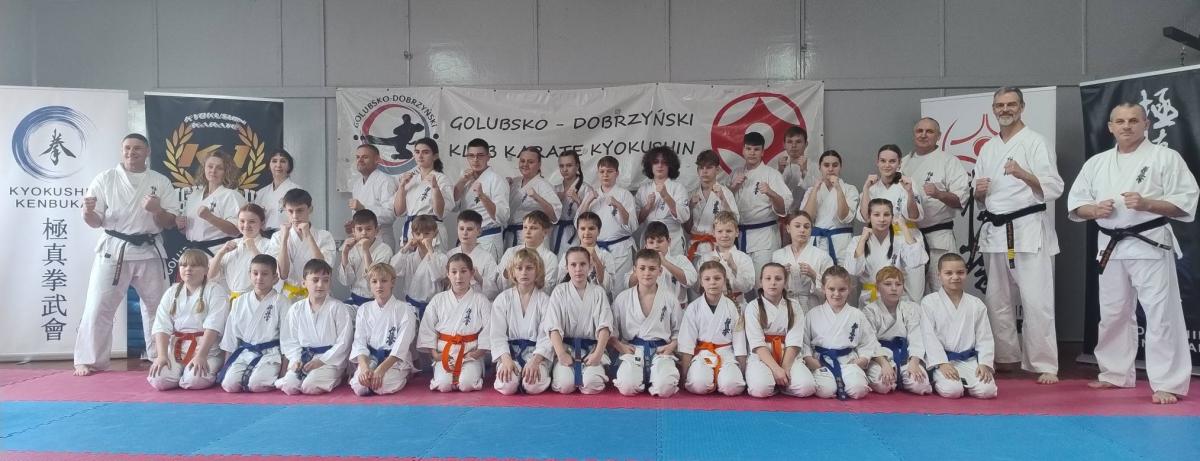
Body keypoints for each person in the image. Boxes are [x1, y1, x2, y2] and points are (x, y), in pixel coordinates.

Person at [1067, 102, 1198, 404]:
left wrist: (1148, 204)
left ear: (1146, 124)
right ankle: (1114, 373)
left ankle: (1168, 382)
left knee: (1161, 314)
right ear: (1110, 126)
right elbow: (1076, 205)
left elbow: (1186, 203)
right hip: (1110, 246)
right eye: (1120, 121)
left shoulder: (1165, 157)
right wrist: (1094, 210)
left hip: (1149, 243)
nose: (1126, 126)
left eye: (1133, 120)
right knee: (1113, 312)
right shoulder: (1097, 163)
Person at [973, 86, 1062, 384]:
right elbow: (981, 197)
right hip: (995, 230)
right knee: (996, 298)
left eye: (1011, 104)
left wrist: (1024, 174)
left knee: (1036, 299)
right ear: (993, 109)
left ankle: (1044, 363)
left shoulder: (1036, 142)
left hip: (1027, 228)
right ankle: (1006, 355)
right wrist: (979, 193)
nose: (1005, 109)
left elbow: (1054, 186)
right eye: (999, 105)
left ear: (1022, 107)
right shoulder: (988, 147)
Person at [75, 133, 181, 376]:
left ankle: (160, 357)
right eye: (127, 148)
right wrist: (87, 213)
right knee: (98, 305)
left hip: (150, 250)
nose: (131, 152)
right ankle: (90, 359)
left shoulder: (160, 181)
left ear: (147, 152)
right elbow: (95, 221)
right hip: (114, 249)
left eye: (137, 148)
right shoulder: (106, 178)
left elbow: (170, 222)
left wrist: (157, 210)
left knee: (158, 307)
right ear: (121, 150)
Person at [146, 249, 230, 390]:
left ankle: (190, 373)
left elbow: (214, 326)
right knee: (159, 380)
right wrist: (162, 355)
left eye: (194, 265)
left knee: (194, 381)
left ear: (206, 270)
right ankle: (180, 372)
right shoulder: (172, 292)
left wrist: (201, 356)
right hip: (177, 350)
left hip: (208, 352)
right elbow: (161, 325)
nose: (188, 269)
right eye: (184, 265)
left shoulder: (215, 291)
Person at [902, 118, 969, 292]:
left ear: (938, 136)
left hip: (939, 237)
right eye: (919, 131)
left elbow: (961, 201)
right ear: (914, 134)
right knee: (911, 294)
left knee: (945, 291)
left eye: (929, 131)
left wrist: (939, 194)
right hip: (909, 237)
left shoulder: (948, 161)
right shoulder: (902, 163)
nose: (923, 135)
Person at [920, 254, 998, 399]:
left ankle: (967, 383)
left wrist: (984, 363)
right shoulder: (929, 302)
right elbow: (928, 336)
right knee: (952, 391)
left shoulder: (976, 304)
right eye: (948, 273)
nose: (955, 277)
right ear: (939, 275)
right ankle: (945, 380)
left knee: (987, 391)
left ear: (966, 273)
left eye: (960, 272)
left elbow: (985, 337)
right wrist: (941, 363)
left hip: (969, 360)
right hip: (944, 360)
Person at [611, 249, 683, 397]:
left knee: (665, 389)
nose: (647, 273)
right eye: (642, 268)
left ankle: (654, 379)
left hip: (661, 351)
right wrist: (620, 346)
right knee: (627, 387)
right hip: (633, 351)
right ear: (634, 270)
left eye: (652, 268)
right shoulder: (623, 298)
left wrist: (672, 346)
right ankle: (642, 378)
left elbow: (679, 331)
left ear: (660, 271)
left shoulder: (670, 298)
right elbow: (611, 331)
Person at [275, 259, 354, 395]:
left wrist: (321, 361)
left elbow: (344, 342)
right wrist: (296, 360)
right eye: (315, 280)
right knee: (289, 387)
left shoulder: (338, 308)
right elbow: (290, 340)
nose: (320, 285)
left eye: (325, 280)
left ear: (330, 283)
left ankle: (338, 376)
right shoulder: (296, 309)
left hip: (330, 360)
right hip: (304, 358)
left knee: (310, 387)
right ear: (304, 283)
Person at [418, 254, 491, 392]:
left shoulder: (481, 300)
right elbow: (427, 329)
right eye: (454, 272)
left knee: (466, 384)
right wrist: (435, 355)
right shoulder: (438, 300)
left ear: (472, 273)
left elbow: (489, 330)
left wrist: (476, 354)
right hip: (445, 354)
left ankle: (472, 373)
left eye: (463, 271)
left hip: (470, 354)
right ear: (448, 274)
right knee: (443, 385)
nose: (459, 276)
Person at [859, 144, 925, 296]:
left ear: (899, 163)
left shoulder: (908, 183)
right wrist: (865, 189)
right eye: (883, 161)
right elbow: (866, 217)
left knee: (914, 291)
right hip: (882, 240)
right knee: (886, 288)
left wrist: (909, 192)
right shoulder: (872, 187)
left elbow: (914, 215)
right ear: (877, 162)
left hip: (908, 237)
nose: (887, 165)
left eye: (892, 161)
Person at [804, 266, 879, 400]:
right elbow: (804, 342)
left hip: (848, 361)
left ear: (849, 289)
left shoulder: (857, 314)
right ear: (823, 288)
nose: (837, 294)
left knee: (858, 390)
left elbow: (867, 342)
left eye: (842, 289)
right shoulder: (812, 314)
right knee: (826, 391)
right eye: (831, 289)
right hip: (822, 362)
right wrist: (809, 358)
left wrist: (863, 358)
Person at [547, 247, 615, 394]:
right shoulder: (559, 291)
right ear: (566, 267)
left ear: (590, 266)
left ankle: (592, 371)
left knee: (592, 384)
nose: (578, 269)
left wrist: (598, 354)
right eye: (573, 265)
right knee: (565, 386)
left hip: (592, 349)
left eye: (583, 264)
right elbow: (553, 327)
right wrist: (561, 354)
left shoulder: (598, 292)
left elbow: (605, 326)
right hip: (566, 349)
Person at [743, 263, 816, 398]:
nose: (773, 283)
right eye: (768, 278)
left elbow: (794, 340)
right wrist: (776, 369)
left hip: (788, 354)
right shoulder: (753, 307)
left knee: (807, 387)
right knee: (760, 389)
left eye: (778, 279)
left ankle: (781, 383)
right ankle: (776, 382)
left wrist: (785, 369)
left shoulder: (794, 306)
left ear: (785, 282)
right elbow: (757, 343)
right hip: (762, 356)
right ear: (761, 282)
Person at [218, 254, 287, 393]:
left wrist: (284, 371)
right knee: (229, 385)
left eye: (265, 274)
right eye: (255, 273)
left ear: (275, 278)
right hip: (245, 353)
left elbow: (288, 339)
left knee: (257, 385)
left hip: (270, 355)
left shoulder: (281, 302)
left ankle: (263, 376)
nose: (259, 278)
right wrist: (227, 366)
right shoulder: (239, 302)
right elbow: (230, 338)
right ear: (249, 275)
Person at [489, 249, 554, 395]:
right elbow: (497, 335)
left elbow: (547, 336)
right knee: (507, 386)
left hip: (536, 356)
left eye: (529, 268)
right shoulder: (503, 299)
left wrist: (535, 361)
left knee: (532, 386)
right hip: (510, 355)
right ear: (513, 272)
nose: (524, 272)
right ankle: (514, 374)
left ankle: (534, 374)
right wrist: (506, 360)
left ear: (538, 271)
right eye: (519, 268)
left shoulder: (545, 301)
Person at [679, 262, 748, 396]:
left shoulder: (734, 307)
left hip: (726, 354)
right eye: (707, 279)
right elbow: (687, 343)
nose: (712, 282)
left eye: (717, 278)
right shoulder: (694, 308)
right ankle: (713, 380)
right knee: (698, 385)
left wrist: (743, 372)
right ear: (701, 282)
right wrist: (684, 375)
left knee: (733, 386)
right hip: (703, 355)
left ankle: (721, 380)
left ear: (724, 280)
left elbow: (739, 343)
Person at [349, 263, 418, 396]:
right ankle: (369, 374)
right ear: (369, 284)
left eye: (384, 281)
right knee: (360, 387)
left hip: (395, 361)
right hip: (371, 358)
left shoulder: (405, 309)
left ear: (392, 282)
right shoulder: (364, 309)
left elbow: (402, 345)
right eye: (374, 281)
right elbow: (359, 342)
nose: (379, 285)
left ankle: (405, 374)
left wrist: (381, 370)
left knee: (381, 386)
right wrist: (364, 368)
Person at [729, 132, 792, 276]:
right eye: (748, 149)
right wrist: (733, 188)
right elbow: (724, 204)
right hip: (739, 235)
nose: (752, 153)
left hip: (764, 237)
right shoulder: (735, 174)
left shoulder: (772, 174)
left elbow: (784, 208)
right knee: (741, 282)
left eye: (756, 149)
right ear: (743, 150)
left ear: (763, 152)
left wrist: (771, 193)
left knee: (763, 280)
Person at [863, 266, 932, 395]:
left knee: (920, 384)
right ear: (877, 287)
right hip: (880, 358)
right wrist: (884, 364)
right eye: (888, 284)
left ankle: (902, 378)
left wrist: (914, 362)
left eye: (898, 284)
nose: (894, 288)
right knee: (884, 384)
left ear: (903, 287)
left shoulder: (911, 309)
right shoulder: (870, 311)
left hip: (905, 356)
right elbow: (869, 341)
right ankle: (893, 379)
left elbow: (916, 337)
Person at [846, 199, 928, 305]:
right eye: (876, 215)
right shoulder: (857, 240)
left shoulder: (900, 240)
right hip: (869, 300)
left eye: (886, 215)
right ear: (869, 217)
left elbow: (916, 261)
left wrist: (904, 228)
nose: (882, 219)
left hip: (896, 297)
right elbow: (853, 270)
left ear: (892, 217)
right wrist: (862, 240)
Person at [271, 189, 336, 302]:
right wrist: (284, 239)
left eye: (300, 210)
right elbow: (283, 274)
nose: (295, 216)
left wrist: (308, 236)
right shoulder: (277, 237)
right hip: (288, 296)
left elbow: (323, 269)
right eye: (290, 211)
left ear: (310, 209)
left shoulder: (325, 236)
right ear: (285, 210)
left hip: (319, 295)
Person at [176, 151, 245, 256]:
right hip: (193, 252)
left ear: (226, 172)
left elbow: (236, 230)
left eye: (219, 168)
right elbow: (189, 231)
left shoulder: (231, 195)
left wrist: (210, 217)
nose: (213, 170)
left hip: (219, 252)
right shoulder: (194, 195)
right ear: (204, 168)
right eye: (210, 166)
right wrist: (181, 226)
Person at [578, 155, 638, 277]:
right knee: (598, 284)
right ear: (598, 173)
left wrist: (618, 205)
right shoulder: (591, 195)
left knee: (619, 285)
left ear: (617, 173)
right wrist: (588, 201)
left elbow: (632, 226)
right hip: (596, 250)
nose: (605, 175)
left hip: (620, 250)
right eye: (602, 171)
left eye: (609, 171)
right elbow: (579, 223)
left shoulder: (625, 195)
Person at [454, 138, 510, 261]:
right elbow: (453, 206)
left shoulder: (496, 180)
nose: (475, 159)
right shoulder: (466, 180)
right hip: (466, 239)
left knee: (485, 273)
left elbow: (502, 216)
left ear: (488, 157)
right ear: (467, 157)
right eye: (471, 156)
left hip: (487, 238)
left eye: (480, 155)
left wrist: (482, 196)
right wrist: (462, 181)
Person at [800, 150, 859, 265]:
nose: (831, 169)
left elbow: (844, 217)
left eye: (835, 165)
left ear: (840, 167)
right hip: (817, 242)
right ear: (820, 167)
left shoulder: (850, 189)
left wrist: (838, 188)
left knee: (842, 274)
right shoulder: (811, 190)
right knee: (816, 273)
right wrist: (815, 190)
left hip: (841, 242)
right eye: (826, 165)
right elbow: (807, 219)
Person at [392, 137, 452, 250]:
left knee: (433, 260)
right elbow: (399, 212)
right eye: (417, 152)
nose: (420, 156)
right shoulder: (410, 179)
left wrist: (435, 188)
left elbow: (440, 213)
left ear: (435, 156)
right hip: (412, 230)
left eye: (425, 152)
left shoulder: (441, 179)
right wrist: (401, 186)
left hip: (431, 230)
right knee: (409, 261)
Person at [622, 222, 696, 308]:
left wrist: (665, 263)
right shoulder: (641, 265)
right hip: (650, 309)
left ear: (669, 241)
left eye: (660, 241)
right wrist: (642, 267)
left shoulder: (680, 260)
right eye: (651, 242)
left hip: (677, 309)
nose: (656, 246)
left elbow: (691, 280)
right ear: (646, 244)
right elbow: (628, 285)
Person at [771, 211, 833, 311]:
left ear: (811, 230)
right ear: (788, 228)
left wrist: (814, 275)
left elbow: (832, 287)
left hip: (812, 306)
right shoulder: (778, 255)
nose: (802, 230)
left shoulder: (822, 256)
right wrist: (780, 276)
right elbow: (770, 286)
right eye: (797, 226)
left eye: (806, 227)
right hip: (785, 306)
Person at [208, 204, 274, 297]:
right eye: (242, 221)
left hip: (258, 297)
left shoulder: (269, 244)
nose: (246, 225)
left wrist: (253, 248)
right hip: (232, 298)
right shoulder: (232, 244)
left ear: (262, 223)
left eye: (252, 221)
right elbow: (211, 275)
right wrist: (220, 253)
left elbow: (268, 272)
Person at [389, 215, 447, 318]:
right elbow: (393, 270)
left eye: (427, 234)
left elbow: (438, 275)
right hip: (411, 307)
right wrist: (406, 247)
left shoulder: (442, 258)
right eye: (418, 234)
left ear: (435, 234)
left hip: (432, 307)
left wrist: (430, 249)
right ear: (413, 235)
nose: (422, 237)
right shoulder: (409, 257)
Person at [686, 150, 739, 260]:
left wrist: (722, 199)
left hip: (718, 247)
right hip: (695, 246)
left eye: (709, 167)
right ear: (697, 171)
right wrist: (690, 207)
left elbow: (735, 221)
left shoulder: (725, 193)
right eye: (701, 168)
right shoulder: (691, 194)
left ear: (717, 170)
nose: (704, 171)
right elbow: (686, 228)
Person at [637, 146, 690, 255]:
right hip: (650, 241)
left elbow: (684, 217)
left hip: (673, 240)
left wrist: (666, 196)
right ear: (650, 165)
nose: (660, 165)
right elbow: (635, 221)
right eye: (656, 162)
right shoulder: (643, 190)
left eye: (664, 162)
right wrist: (647, 206)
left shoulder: (678, 188)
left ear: (670, 165)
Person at [506, 147, 562, 249]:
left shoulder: (544, 185)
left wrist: (537, 197)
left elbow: (554, 216)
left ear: (539, 164)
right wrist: (504, 186)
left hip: (534, 237)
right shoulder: (514, 182)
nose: (525, 164)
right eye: (522, 161)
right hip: (511, 235)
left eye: (530, 162)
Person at [691, 212, 754, 301]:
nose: (724, 235)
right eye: (720, 231)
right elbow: (697, 288)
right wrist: (709, 271)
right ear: (713, 233)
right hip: (710, 303)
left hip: (736, 303)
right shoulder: (705, 259)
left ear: (737, 232)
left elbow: (748, 287)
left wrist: (733, 267)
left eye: (729, 231)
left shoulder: (744, 258)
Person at [338, 210, 394, 307]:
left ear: (376, 230)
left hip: (377, 301)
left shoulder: (385, 250)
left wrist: (365, 250)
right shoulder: (351, 248)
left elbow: (376, 279)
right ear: (353, 231)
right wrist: (345, 253)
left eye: (368, 229)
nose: (364, 233)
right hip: (355, 299)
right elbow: (346, 281)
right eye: (359, 229)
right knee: (340, 310)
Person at [348, 144, 399, 250]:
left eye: (365, 157)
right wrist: (353, 224)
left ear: (377, 160)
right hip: (361, 240)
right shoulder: (357, 184)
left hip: (381, 241)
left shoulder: (386, 181)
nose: (360, 160)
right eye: (358, 157)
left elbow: (390, 215)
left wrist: (364, 208)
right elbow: (359, 215)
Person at [495, 211, 560, 294]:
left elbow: (548, 289)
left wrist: (527, 282)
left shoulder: (550, 258)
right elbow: (498, 285)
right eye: (525, 227)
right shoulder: (511, 252)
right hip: (511, 298)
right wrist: (506, 274)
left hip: (537, 300)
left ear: (545, 232)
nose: (528, 231)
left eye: (533, 228)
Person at [556, 212, 618, 293]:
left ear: (599, 231)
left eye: (591, 228)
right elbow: (559, 282)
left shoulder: (606, 256)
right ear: (577, 231)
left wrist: (596, 261)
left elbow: (609, 287)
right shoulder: (568, 255)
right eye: (583, 228)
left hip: (597, 299)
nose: (587, 232)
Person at [448, 210, 499, 298]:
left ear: (479, 231)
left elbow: (494, 292)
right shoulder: (450, 255)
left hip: (477, 303)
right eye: (461, 228)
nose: (464, 233)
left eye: (469, 229)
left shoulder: (487, 258)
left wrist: (479, 278)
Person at [553, 150, 595, 253]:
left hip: (576, 233)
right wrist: (555, 201)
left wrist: (578, 201)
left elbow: (591, 218)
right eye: (561, 166)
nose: (565, 169)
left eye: (569, 165)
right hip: (556, 232)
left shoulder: (586, 189)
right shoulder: (555, 189)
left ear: (577, 166)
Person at [253, 149, 302, 238]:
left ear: (289, 166)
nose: (278, 165)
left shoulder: (296, 190)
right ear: (269, 165)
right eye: (274, 161)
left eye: (283, 161)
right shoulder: (261, 192)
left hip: (287, 235)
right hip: (264, 237)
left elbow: (300, 217)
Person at [774, 126, 816, 218]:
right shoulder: (780, 167)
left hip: (807, 217)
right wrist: (779, 172)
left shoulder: (815, 167)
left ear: (806, 144)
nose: (793, 146)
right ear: (784, 145)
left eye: (798, 142)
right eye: (789, 142)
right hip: (783, 218)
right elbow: (773, 195)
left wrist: (804, 171)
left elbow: (817, 193)